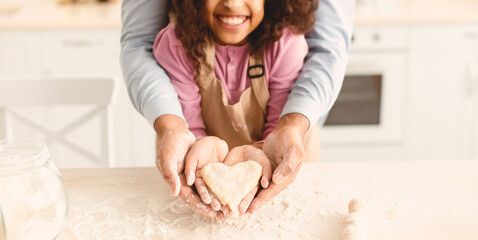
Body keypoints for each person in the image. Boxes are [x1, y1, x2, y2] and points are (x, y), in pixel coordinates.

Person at [120, 0, 355, 218]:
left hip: (280, 157)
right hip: (201, 162)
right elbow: (189, 125)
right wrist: (189, 142)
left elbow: (328, 49)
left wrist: (275, 145)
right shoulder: (176, 45)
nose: (232, 4)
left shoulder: (286, 45)